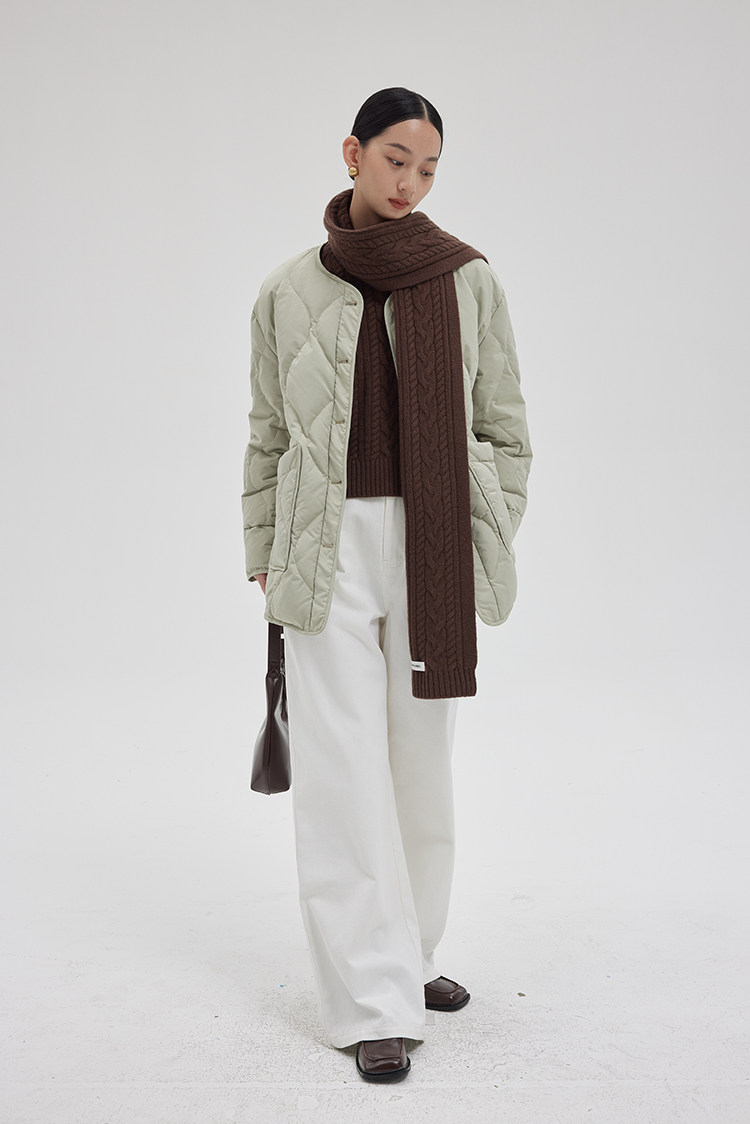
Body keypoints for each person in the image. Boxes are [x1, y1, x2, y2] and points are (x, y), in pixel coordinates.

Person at [241, 86, 532, 1083]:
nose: (411, 182)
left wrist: (489, 520)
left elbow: (506, 427)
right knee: (341, 766)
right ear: (353, 153)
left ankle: (411, 950)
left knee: (420, 760)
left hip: (432, 538)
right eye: (396, 159)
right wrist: (264, 545)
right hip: (323, 543)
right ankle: (372, 999)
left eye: (429, 168)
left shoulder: (468, 279)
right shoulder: (289, 289)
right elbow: (268, 436)